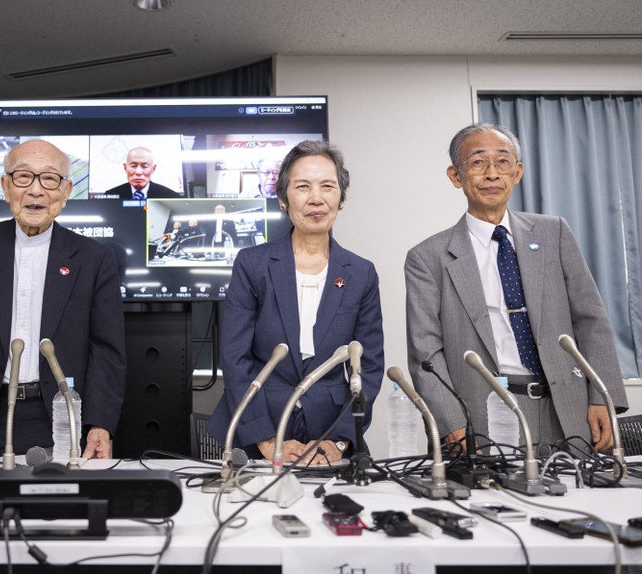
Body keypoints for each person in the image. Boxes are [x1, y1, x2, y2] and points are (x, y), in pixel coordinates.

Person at [405, 123, 628, 452]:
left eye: (503, 161)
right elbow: (426, 353)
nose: (492, 174)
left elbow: (590, 320)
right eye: (478, 162)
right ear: (456, 176)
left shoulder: (554, 233)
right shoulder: (427, 257)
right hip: (481, 416)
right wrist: (452, 423)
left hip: (566, 407)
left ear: (518, 172)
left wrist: (602, 395)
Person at [0, 139, 126, 458]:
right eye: (23, 177)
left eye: (50, 178)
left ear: (66, 191)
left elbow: (107, 350)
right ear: (5, 187)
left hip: (61, 418)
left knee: (61, 506)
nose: (36, 190)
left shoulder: (94, 258)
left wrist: (100, 424)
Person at [207, 141, 384, 465]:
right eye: (303, 187)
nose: (316, 198)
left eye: (327, 186)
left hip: (331, 433)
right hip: (257, 427)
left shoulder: (360, 273)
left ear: (340, 198)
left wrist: (340, 440)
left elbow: (368, 367)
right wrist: (264, 439)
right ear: (283, 199)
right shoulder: (252, 264)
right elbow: (235, 358)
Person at [104, 147, 181, 199]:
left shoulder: (170, 196)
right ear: (125, 168)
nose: (138, 172)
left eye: (144, 166)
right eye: (133, 166)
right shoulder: (110, 195)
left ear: (153, 169)